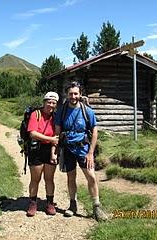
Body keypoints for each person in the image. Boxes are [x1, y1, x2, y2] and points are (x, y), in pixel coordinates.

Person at [54, 81, 108, 221]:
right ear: (67, 95)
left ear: (80, 94)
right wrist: (56, 150)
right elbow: (57, 132)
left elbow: (95, 132)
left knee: (91, 177)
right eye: (70, 94)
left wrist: (90, 153)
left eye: (76, 93)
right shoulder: (62, 110)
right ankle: (73, 205)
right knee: (71, 178)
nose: (73, 96)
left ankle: (97, 207)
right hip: (67, 149)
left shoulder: (87, 111)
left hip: (83, 150)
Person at [26, 91, 59, 217]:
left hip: (50, 149)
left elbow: (57, 135)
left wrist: (53, 152)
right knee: (35, 179)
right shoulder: (36, 114)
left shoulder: (56, 117)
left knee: (49, 178)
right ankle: (33, 203)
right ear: (44, 102)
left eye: (53, 103)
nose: (51, 105)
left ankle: (50, 203)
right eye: (49, 102)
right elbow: (32, 133)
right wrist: (51, 139)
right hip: (36, 149)